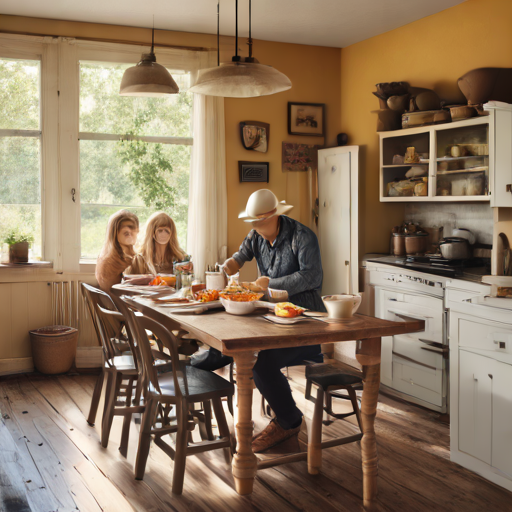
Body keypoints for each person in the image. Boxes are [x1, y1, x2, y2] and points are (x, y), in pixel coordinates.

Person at [192, 189, 325, 453]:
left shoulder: (303, 237)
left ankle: (289, 421)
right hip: (269, 316)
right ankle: (182, 372)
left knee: (261, 364)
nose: (254, 226)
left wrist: (268, 284)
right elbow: (240, 257)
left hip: (304, 321)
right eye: (252, 221)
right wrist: (227, 267)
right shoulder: (256, 236)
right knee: (225, 347)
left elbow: (312, 277)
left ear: (275, 216)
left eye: (259, 221)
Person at [126, 211, 191, 275]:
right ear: (152, 232)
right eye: (160, 230)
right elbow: (128, 283)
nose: (163, 234)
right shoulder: (139, 260)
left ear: (172, 233)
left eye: (166, 231)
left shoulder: (180, 258)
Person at [95, 210, 139, 292]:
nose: (130, 232)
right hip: (121, 302)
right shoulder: (111, 262)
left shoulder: (126, 256)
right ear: (114, 233)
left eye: (132, 228)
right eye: (125, 231)